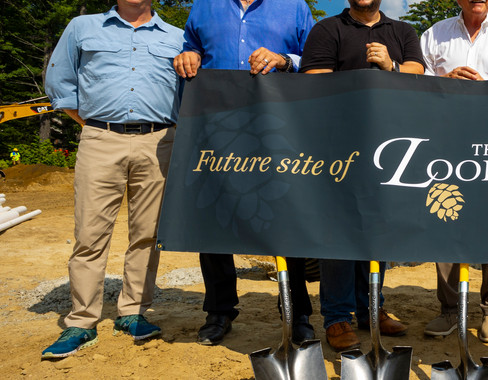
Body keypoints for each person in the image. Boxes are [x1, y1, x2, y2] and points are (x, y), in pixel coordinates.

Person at [40, 0, 183, 359]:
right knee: (90, 233)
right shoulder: (82, 27)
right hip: (100, 138)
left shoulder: (178, 37)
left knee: (148, 233)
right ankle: (82, 321)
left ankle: (133, 313)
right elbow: (60, 80)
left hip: (159, 141)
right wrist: (90, 126)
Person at [173, 0, 316, 347]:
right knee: (215, 218)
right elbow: (190, 52)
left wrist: (285, 61)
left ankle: (297, 311)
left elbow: (313, 60)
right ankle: (219, 311)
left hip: (276, 127)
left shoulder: (295, 7)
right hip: (216, 127)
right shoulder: (204, 7)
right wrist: (186, 57)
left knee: (285, 214)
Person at [300, 0, 424, 352]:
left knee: (375, 230)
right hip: (338, 147)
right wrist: (361, 80)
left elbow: (418, 73)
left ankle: (371, 308)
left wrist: (390, 66)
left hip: (386, 148)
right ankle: (337, 318)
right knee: (338, 232)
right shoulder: (327, 30)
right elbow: (312, 80)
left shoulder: (402, 31)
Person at [418, 0, 488, 343]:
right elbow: (418, 87)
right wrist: (445, 80)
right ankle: (450, 309)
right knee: (446, 215)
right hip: (446, 143)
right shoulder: (434, 34)